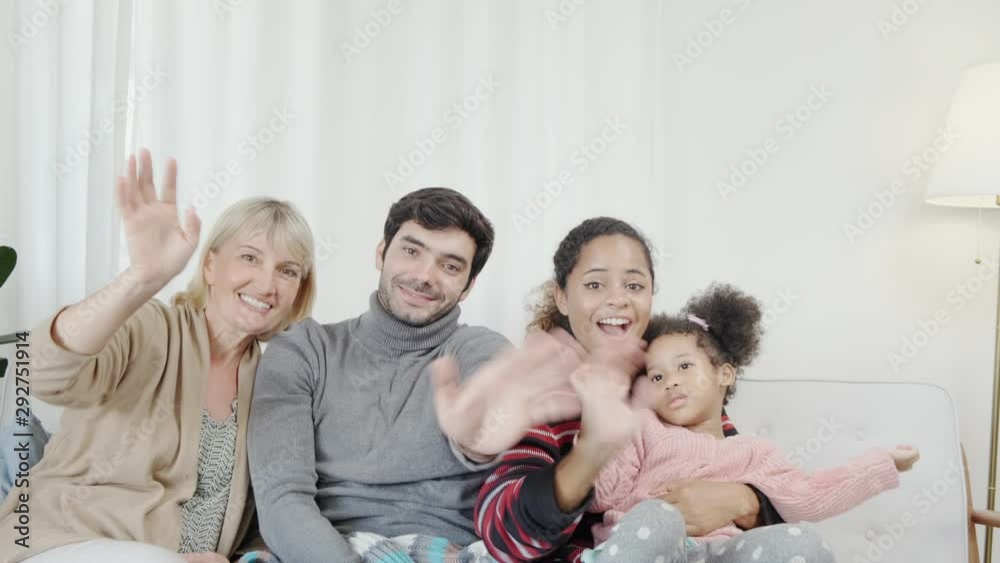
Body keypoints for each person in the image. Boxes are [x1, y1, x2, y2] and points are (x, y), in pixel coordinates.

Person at [0, 149, 316, 563]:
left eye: (287, 270)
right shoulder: (150, 326)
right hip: (63, 541)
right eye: (250, 258)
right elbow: (43, 370)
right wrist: (140, 278)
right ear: (209, 266)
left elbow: (275, 509)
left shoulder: (278, 379)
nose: (266, 282)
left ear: (298, 290)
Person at [248, 188, 589, 563]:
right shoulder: (302, 350)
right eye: (412, 251)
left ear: (468, 286)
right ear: (381, 253)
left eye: (450, 266)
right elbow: (283, 500)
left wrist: (478, 440)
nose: (424, 276)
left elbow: (491, 407)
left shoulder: (480, 349)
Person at [474, 217, 789, 562]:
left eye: (634, 286)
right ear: (562, 297)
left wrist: (742, 501)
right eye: (595, 285)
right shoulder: (538, 393)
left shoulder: (669, 376)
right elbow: (502, 535)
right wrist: (591, 452)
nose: (618, 300)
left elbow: (738, 462)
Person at [582, 283, 920, 562]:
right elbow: (603, 496)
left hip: (723, 553)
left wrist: (881, 463)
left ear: (724, 374)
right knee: (659, 517)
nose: (670, 381)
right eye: (656, 376)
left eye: (684, 367)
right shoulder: (643, 427)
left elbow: (810, 494)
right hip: (652, 549)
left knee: (799, 541)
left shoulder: (756, 452)